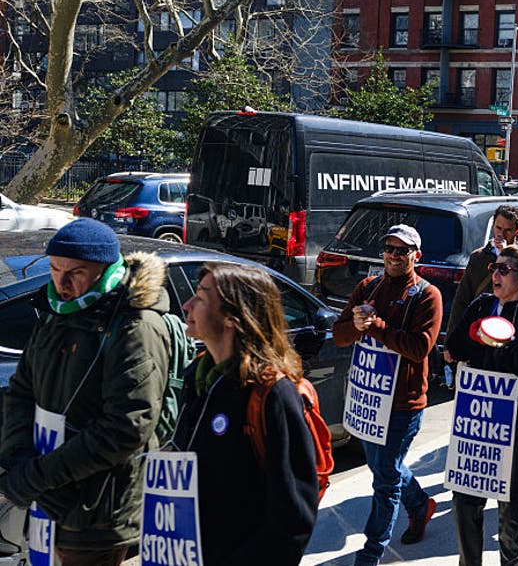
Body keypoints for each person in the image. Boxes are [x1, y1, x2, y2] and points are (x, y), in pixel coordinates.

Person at [0, 219, 171, 565]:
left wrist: (36, 475)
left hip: (98, 510)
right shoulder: (55, 315)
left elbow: (126, 428)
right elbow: (21, 391)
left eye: (75, 272)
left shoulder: (136, 326)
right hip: (49, 497)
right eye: (54, 269)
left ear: (105, 272)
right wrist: (19, 455)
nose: (61, 283)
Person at [173, 262, 319, 563]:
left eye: (201, 296)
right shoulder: (197, 375)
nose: (187, 304)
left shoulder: (273, 394)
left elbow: (294, 518)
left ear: (234, 316)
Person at [333, 225, 443, 566]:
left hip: (403, 403)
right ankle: (420, 504)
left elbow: (419, 347)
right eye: (389, 249)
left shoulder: (427, 295)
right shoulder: (368, 287)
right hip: (368, 400)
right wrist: (356, 325)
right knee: (386, 468)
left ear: (416, 256)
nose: (394, 256)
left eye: (402, 250)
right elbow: (339, 336)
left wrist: (377, 327)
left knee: (385, 481)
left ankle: (370, 552)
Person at [444, 245, 518, 565]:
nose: (495, 274)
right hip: (477, 418)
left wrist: (497, 344)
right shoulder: (482, 304)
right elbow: (454, 346)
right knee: (465, 499)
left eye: (504, 270)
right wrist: (481, 339)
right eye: (494, 267)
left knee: (511, 505)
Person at [446, 205, 518, 349]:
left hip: (512, 332)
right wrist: (451, 342)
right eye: (498, 228)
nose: (501, 234)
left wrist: (505, 254)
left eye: (508, 230)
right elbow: (462, 300)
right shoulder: (479, 257)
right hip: (480, 330)